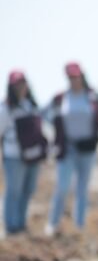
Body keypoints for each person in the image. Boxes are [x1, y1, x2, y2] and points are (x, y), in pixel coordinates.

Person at [43, 61, 98, 236]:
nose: (74, 80)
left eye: (76, 77)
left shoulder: (93, 96)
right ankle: (52, 223)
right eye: (70, 77)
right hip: (68, 147)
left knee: (82, 188)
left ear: (82, 76)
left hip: (88, 148)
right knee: (62, 186)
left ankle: (79, 225)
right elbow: (44, 113)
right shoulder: (61, 98)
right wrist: (56, 125)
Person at [0, 70, 48, 236]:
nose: (20, 88)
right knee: (13, 191)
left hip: (32, 155)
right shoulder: (5, 108)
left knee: (28, 190)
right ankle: (11, 226)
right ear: (11, 87)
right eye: (17, 85)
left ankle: (20, 224)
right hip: (13, 155)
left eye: (23, 84)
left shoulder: (31, 105)